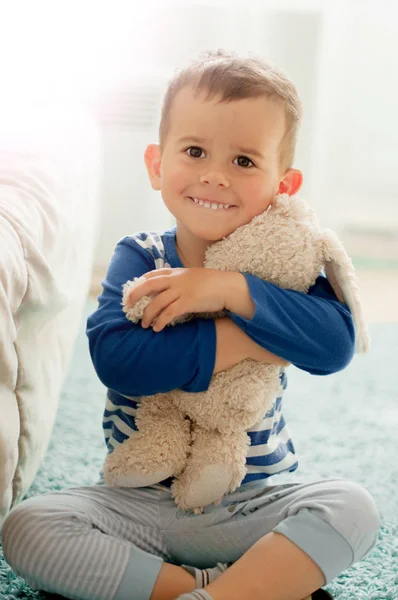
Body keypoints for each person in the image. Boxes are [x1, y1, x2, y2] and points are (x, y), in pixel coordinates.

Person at [2, 50, 380, 600]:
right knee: (29, 528)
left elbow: (334, 347)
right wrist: (250, 338)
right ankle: (222, 589)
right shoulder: (139, 257)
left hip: (250, 503)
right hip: (139, 504)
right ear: (157, 165)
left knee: (353, 508)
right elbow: (121, 362)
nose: (213, 175)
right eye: (195, 150)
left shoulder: (287, 264)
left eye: (245, 162)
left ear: (284, 184)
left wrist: (229, 289)